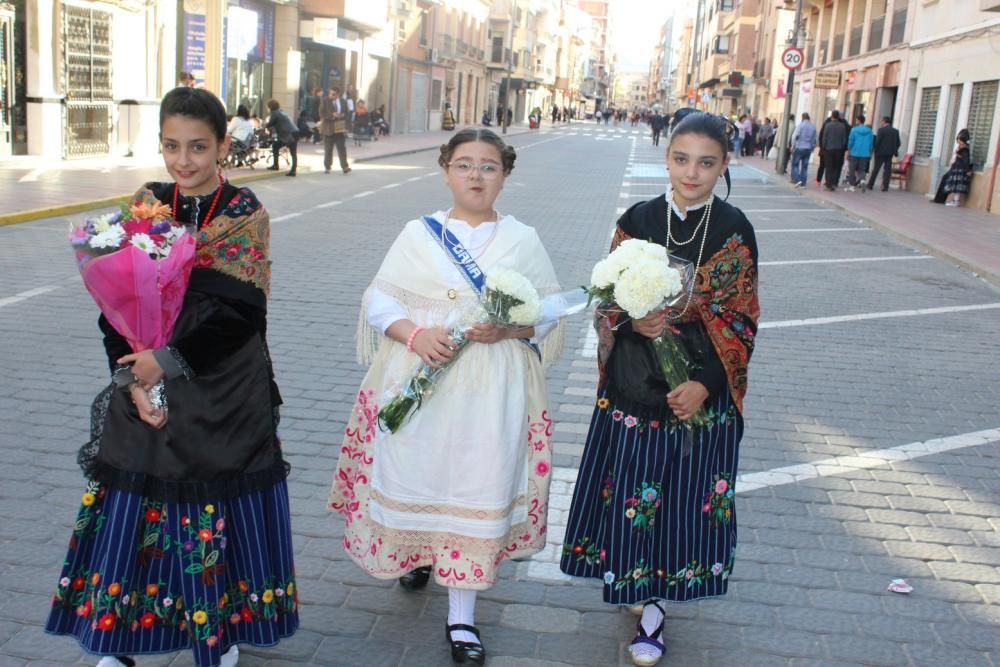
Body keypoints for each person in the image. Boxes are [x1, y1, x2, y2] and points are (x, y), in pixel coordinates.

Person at [45, 86, 298, 667]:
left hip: (222, 391)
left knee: (213, 505)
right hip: (144, 381)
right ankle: (121, 635)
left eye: (198, 147)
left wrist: (170, 360)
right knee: (136, 500)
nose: (183, 161)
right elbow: (113, 302)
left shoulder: (243, 213)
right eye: (171, 146)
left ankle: (219, 634)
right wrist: (133, 373)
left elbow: (243, 316)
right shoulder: (145, 204)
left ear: (222, 146)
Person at [328, 128, 566, 666]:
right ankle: (416, 554)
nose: (476, 176)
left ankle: (461, 616)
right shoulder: (419, 233)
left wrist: (508, 331)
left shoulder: (523, 238)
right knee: (419, 472)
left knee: (475, 482)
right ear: (445, 169)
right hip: (420, 378)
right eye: (464, 165)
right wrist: (413, 333)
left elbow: (548, 310)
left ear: (505, 174)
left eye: (488, 166)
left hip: (491, 388)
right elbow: (380, 300)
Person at [559, 111, 759, 667]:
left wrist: (704, 384)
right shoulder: (639, 217)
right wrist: (629, 319)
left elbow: (742, 319)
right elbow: (606, 298)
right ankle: (636, 585)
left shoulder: (733, 228)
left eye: (707, 162)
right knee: (635, 497)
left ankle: (654, 610)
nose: (691, 172)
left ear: (724, 166)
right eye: (680, 158)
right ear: (666, 156)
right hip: (635, 387)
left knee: (679, 507)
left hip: (698, 394)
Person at [934, 129, 972, 206]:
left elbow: (966, 160)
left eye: (960, 139)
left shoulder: (964, 149)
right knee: (947, 180)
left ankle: (954, 200)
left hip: (959, 169)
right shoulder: (960, 147)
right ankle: (939, 199)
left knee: (956, 185)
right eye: (958, 139)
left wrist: (967, 170)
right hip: (955, 167)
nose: (958, 141)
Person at [319, 87, 351, 174]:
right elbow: (321, 113)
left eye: (333, 94)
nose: (331, 96)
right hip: (328, 129)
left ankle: (345, 167)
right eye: (330, 94)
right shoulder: (325, 100)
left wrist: (343, 116)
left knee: (342, 148)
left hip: (340, 128)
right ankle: (327, 166)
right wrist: (332, 115)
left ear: (337, 94)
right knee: (328, 150)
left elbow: (348, 113)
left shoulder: (343, 101)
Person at [264, 98, 298, 177]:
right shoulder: (281, 111)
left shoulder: (275, 113)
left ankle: (277, 166)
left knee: (277, 146)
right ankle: (292, 169)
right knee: (291, 151)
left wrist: (264, 125)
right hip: (294, 132)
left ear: (271, 107)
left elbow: (270, 124)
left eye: (268, 107)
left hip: (288, 135)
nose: (267, 108)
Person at [867, 116, 901, 192]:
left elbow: (878, 142)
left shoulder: (881, 130)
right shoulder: (895, 131)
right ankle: (885, 187)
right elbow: (898, 143)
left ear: (884, 121)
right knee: (887, 170)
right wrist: (893, 149)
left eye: (881, 121)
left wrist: (875, 150)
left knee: (876, 169)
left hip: (880, 153)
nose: (881, 123)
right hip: (889, 154)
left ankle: (870, 185)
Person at [820, 109, 849, 191]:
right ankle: (834, 182)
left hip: (828, 149)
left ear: (832, 116)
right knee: (836, 167)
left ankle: (828, 184)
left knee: (829, 167)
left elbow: (824, 138)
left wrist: (823, 147)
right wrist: (842, 147)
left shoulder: (828, 125)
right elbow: (844, 139)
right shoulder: (842, 126)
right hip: (838, 149)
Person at [846, 114, 874, 191]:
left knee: (852, 169)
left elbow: (850, 141)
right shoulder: (869, 131)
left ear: (858, 120)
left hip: (854, 152)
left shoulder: (854, 130)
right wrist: (870, 152)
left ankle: (852, 185)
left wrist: (849, 150)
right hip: (865, 153)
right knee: (862, 169)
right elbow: (871, 143)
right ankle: (862, 180)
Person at [790, 112, 817, 188]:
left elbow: (795, 136)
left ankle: (798, 180)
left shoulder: (800, 125)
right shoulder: (813, 127)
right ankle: (803, 183)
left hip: (799, 147)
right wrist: (812, 147)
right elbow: (814, 139)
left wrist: (793, 146)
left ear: (802, 118)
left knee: (795, 164)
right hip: (808, 148)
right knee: (805, 166)